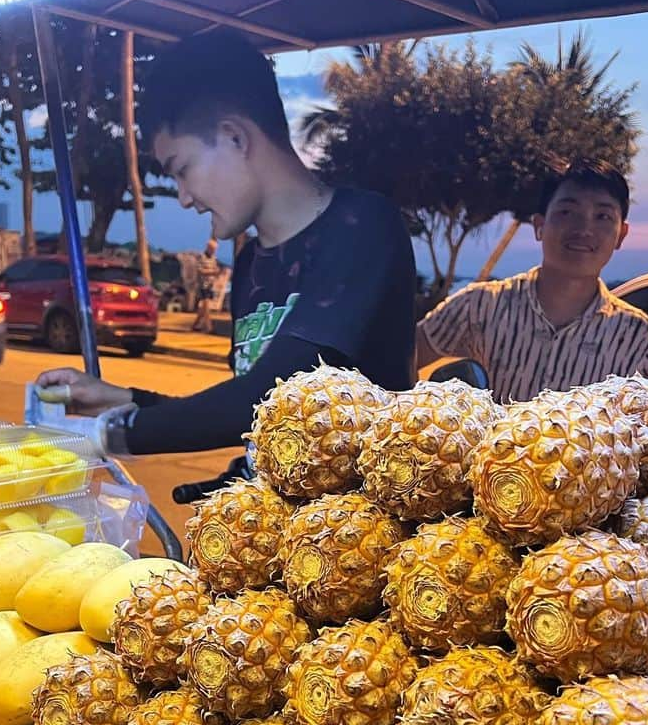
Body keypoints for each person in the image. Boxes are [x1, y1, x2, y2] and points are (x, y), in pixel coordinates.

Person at [35, 31, 416, 455]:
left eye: (182, 169)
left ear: (235, 138)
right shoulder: (252, 265)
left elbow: (281, 399)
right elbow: (248, 418)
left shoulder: (362, 227)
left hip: (351, 518)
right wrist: (123, 401)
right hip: (260, 515)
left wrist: (109, 436)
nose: (182, 197)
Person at [415, 160, 648, 400]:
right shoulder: (480, 306)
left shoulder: (637, 339)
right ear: (540, 225)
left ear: (621, 234)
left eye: (602, 216)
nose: (584, 229)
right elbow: (401, 358)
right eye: (567, 212)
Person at [193, 237, 220, 333]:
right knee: (206, 305)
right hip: (202, 285)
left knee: (204, 306)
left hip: (210, 285)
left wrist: (215, 273)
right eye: (212, 249)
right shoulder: (201, 257)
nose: (213, 251)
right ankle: (209, 327)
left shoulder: (213, 258)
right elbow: (200, 270)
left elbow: (216, 269)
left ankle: (195, 325)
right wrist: (212, 272)